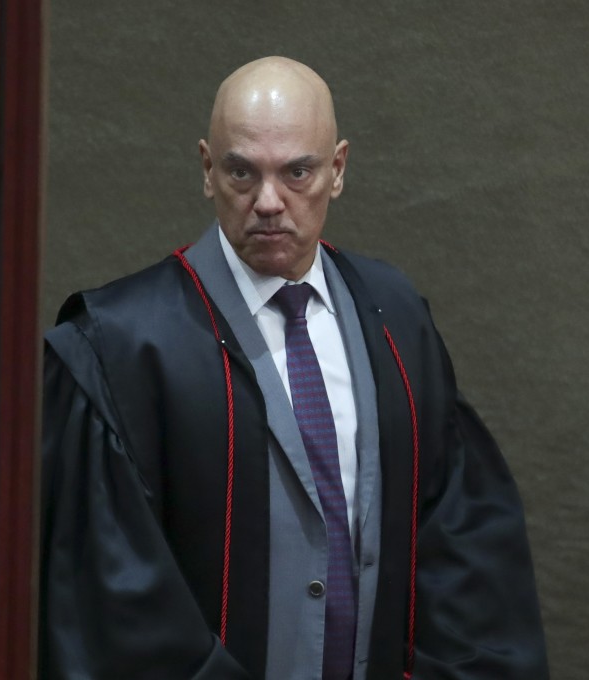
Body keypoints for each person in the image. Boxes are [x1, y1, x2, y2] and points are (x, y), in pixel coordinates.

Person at [39, 56, 548, 679]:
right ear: (207, 169)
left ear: (337, 170)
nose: (269, 202)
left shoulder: (395, 321)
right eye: (241, 172)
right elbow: (112, 596)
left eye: (297, 172)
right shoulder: (117, 346)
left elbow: (462, 550)